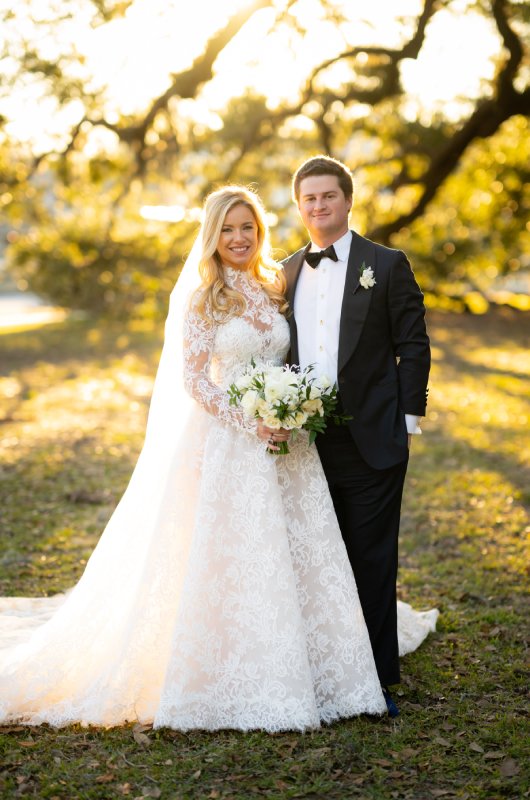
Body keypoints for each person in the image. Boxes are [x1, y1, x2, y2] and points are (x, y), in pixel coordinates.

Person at [0, 186, 435, 731]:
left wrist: (289, 412)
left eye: (247, 228)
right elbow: (192, 380)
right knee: (231, 558)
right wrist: (250, 418)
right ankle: (231, 669)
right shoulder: (204, 298)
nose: (237, 238)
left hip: (290, 446)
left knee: (297, 553)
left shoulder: (276, 284)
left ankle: (320, 662)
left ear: (260, 231)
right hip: (233, 443)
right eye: (227, 230)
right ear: (212, 235)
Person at [282, 155, 432, 715]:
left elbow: (412, 344)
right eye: (308, 198)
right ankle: (319, 672)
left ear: (347, 200)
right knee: (317, 557)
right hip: (302, 442)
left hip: (373, 438)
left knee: (370, 558)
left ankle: (376, 684)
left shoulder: (386, 264)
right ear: (300, 207)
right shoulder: (285, 271)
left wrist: (406, 419)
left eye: (328, 195)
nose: (318, 206)